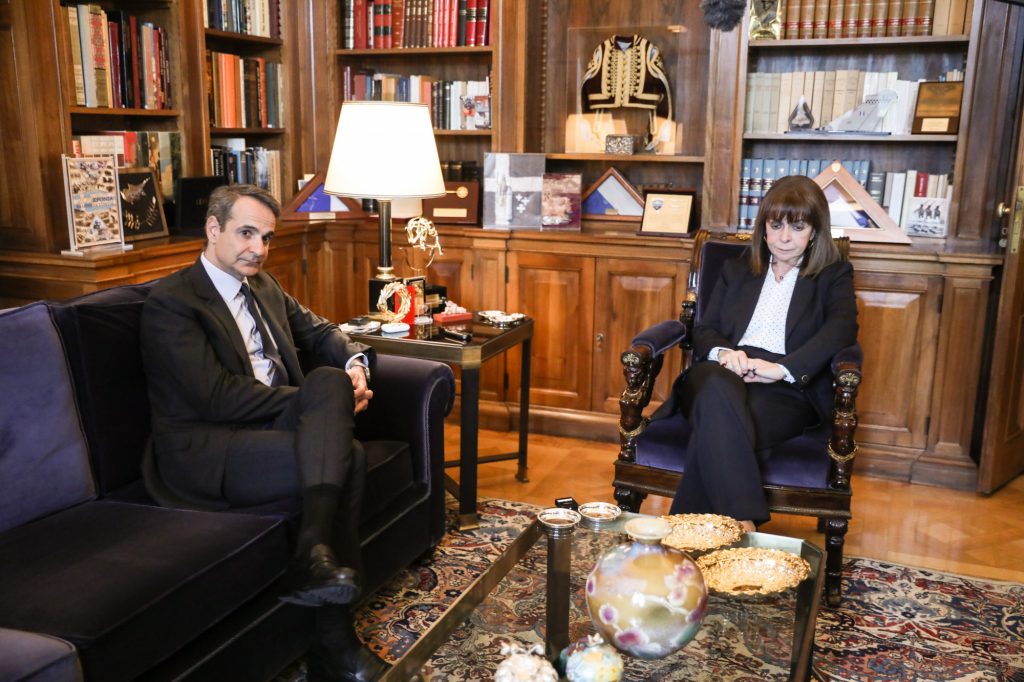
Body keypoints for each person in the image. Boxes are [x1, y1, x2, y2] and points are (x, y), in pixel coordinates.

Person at [140, 184, 387, 682]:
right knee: (349, 449)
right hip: (207, 448)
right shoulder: (172, 301)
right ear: (213, 229)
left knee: (329, 382)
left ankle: (311, 558)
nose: (259, 248)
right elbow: (216, 398)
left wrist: (355, 364)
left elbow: (322, 332)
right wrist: (320, 401)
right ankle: (335, 644)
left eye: (267, 237)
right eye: (246, 233)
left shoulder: (265, 286)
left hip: (271, 428)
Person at [667, 174, 859, 530]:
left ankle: (686, 533)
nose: (785, 238)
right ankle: (744, 520)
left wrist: (781, 369)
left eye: (798, 227)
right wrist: (726, 354)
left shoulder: (832, 275)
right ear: (764, 227)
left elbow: (842, 329)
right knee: (717, 391)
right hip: (721, 371)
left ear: (815, 231)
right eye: (776, 225)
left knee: (722, 426)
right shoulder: (738, 268)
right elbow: (705, 328)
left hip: (785, 388)